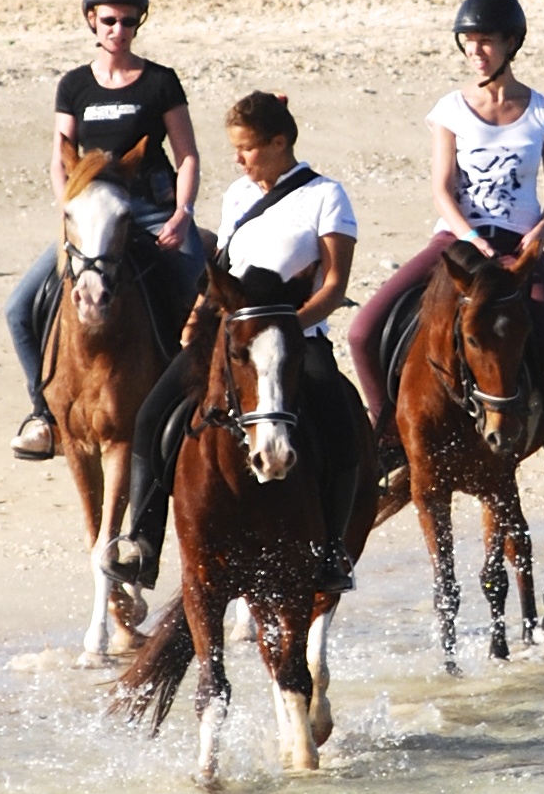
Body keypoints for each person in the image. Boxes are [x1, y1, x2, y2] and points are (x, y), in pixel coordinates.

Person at [113, 92, 372, 590]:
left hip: (297, 338)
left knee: (341, 426)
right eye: (235, 148)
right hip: (230, 342)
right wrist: (195, 319)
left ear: (279, 142)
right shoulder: (238, 195)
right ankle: (143, 543)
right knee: (152, 415)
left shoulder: (326, 196)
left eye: (248, 148)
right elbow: (223, 272)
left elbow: (335, 284)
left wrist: (287, 331)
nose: (239, 158)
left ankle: (331, 552)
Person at [347, 0, 544, 505]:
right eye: (468, 42)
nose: (475, 50)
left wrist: (539, 236)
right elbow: (442, 189)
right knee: (362, 329)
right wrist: (470, 238)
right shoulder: (450, 111)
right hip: (459, 242)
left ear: (512, 43)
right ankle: (390, 437)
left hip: (520, 250)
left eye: (485, 41)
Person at [4, 0, 203, 462]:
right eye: (110, 20)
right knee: (18, 309)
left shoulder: (160, 82)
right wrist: (69, 208)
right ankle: (44, 414)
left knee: (201, 290)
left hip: (150, 207)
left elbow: (188, 156)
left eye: (129, 21)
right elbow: (60, 157)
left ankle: (200, 404)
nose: (119, 30)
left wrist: (182, 213)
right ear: (92, 21)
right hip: (92, 214)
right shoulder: (75, 86)